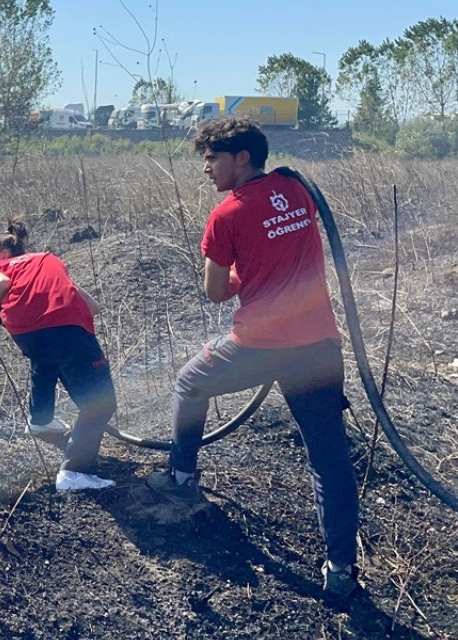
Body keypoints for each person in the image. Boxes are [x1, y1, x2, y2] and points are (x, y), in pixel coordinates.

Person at [145, 117, 361, 602]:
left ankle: (180, 478)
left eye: (212, 158)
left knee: (189, 383)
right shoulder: (296, 188)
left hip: (260, 344)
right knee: (328, 459)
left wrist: (244, 277)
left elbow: (215, 292)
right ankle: (341, 569)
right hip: (319, 343)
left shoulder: (227, 214)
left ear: (242, 157)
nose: (206, 168)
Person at [0, 218, 117, 492]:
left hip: (30, 334)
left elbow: (0, 284)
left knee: (44, 357)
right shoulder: (46, 261)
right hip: (66, 329)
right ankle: (73, 474)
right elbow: (92, 306)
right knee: (100, 405)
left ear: (5, 254)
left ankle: (40, 420)